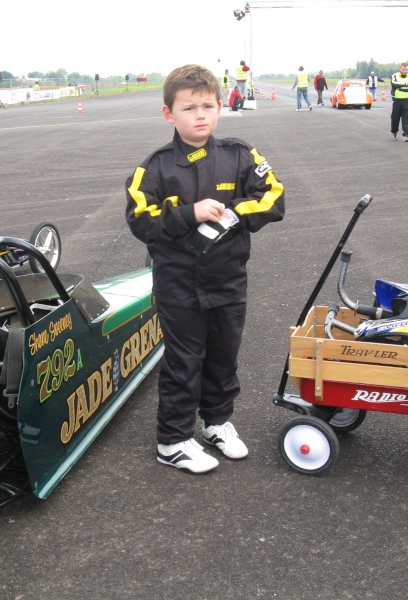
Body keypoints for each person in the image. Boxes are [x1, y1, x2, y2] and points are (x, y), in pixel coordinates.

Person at [125, 64, 285, 473]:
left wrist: (230, 215)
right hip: (179, 286)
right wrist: (189, 214)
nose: (200, 115)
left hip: (228, 281)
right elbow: (141, 221)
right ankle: (173, 440)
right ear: (169, 114)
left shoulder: (239, 154)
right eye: (189, 107)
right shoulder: (155, 168)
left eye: (208, 106)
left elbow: (273, 197)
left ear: (220, 107)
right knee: (184, 360)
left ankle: (217, 422)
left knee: (223, 357)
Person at [390, 62, 408, 142]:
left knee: (407, 119)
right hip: (396, 100)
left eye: (406, 69)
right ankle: (394, 132)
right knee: (395, 118)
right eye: (403, 69)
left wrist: (400, 88)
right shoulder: (395, 75)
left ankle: (406, 135)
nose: (405, 71)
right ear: (400, 69)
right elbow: (394, 84)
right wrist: (405, 84)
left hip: (406, 100)